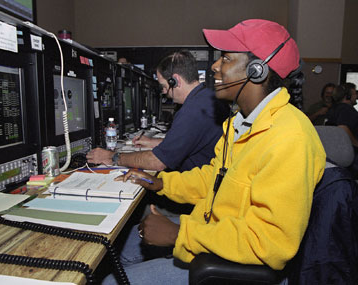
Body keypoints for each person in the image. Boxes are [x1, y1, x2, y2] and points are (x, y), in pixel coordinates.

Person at [103, 19, 326, 284]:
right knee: (125, 245)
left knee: (111, 279)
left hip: (233, 266)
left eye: (227, 59)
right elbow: (214, 179)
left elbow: (271, 243)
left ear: (257, 71)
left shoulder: (289, 137)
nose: (215, 66)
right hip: (215, 235)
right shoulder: (241, 123)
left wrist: (179, 233)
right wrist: (161, 182)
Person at [87, 50, 229, 172]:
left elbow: (157, 161)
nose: (164, 92)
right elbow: (187, 141)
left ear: (175, 81)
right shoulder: (206, 98)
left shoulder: (192, 110)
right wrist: (153, 142)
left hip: (194, 188)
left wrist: (112, 157)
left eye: (164, 86)